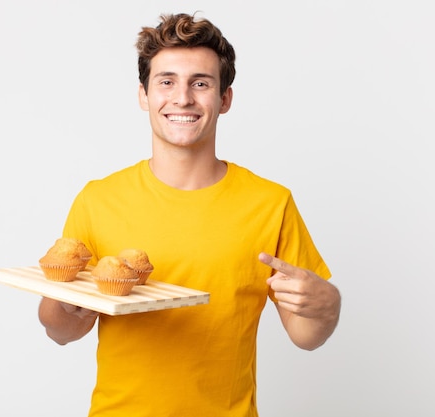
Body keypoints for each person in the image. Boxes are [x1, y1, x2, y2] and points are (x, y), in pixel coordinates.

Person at [38, 12, 341, 417]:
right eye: (166, 81)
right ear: (144, 95)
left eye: (201, 83)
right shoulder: (98, 199)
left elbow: (307, 336)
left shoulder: (270, 203)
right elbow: (59, 331)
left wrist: (328, 305)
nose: (182, 98)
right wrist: (68, 310)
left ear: (225, 98)